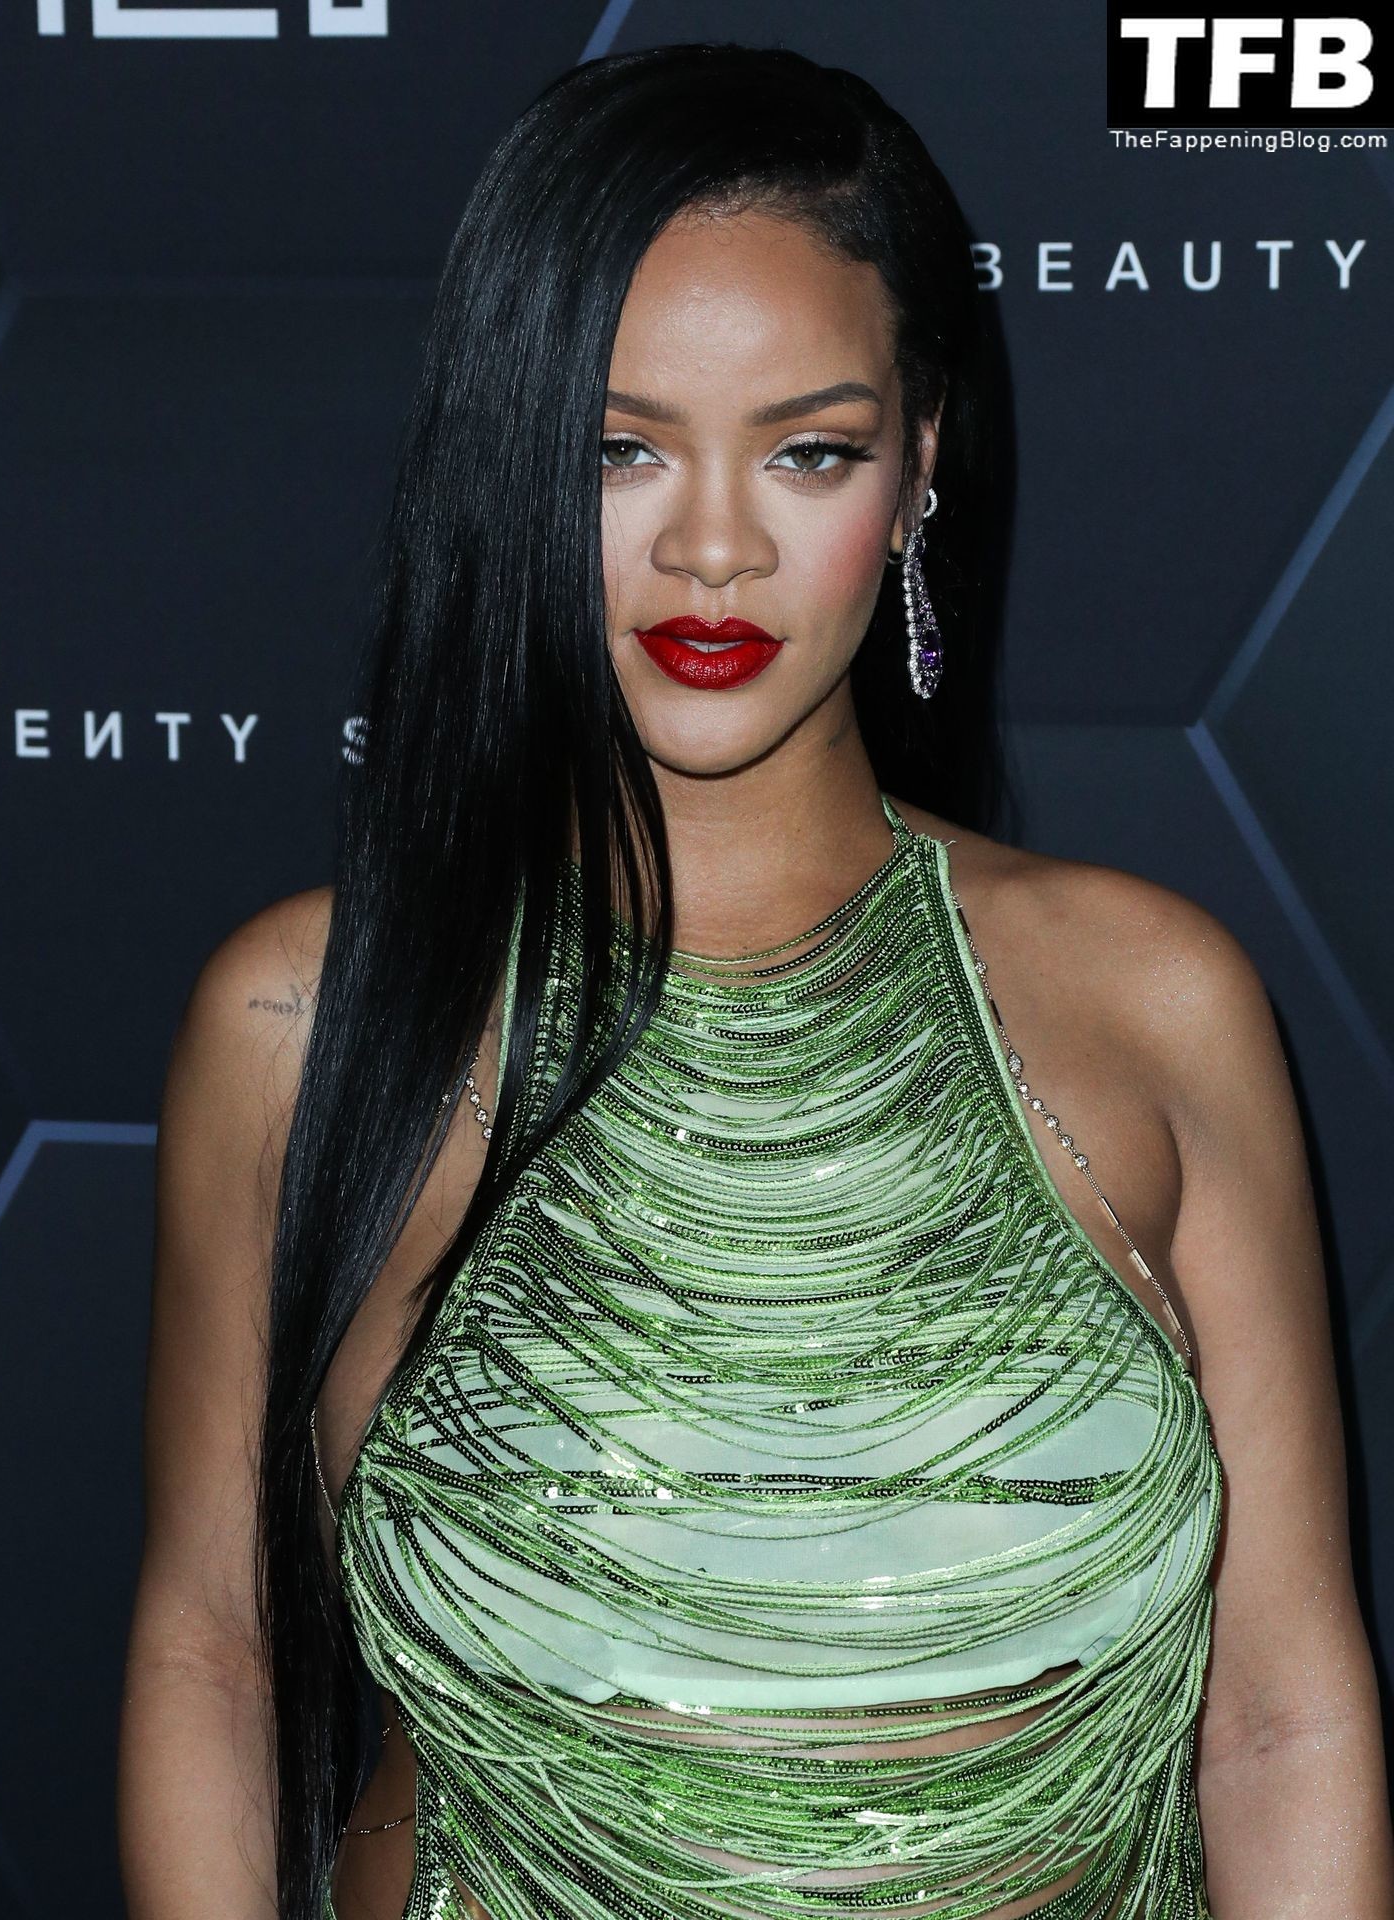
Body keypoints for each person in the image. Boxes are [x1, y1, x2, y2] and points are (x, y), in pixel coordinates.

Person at [116, 40, 1393, 1920]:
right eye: (619, 450)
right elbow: (212, 1658)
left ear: (921, 463)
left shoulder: (1154, 1003)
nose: (712, 547)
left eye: (810, 451)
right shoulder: (305, 1021)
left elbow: (1283, 1717)